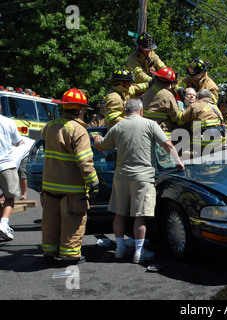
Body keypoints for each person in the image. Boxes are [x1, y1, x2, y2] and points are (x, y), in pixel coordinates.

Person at [93, 99, 184, 264]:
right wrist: (178, 162)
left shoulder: (117, 127)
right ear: (141, 111)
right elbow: (167, 145)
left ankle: (120, 248)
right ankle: (139, 252)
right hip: (143, 177)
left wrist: (96, 137)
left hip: (121, 176)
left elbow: (100, 146)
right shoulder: (150, 124)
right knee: (140, 216)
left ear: (126, 111)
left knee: (119, 213)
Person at [40, 88, 99, 264]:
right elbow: (84, 161)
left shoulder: (50, 126)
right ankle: (70, 255)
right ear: (80, 110)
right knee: (73, 220)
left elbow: (45, 136)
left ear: (64, 107)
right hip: (72, 188)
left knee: (50, 220)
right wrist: (93, 182)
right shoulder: (79, 131)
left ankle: (49, 252)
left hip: (50, 186)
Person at [0, 103, 22, 240]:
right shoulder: (9, 122)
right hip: (6, 165)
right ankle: (3, 223)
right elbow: (17, 142)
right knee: (9, 197)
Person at [140, 67, 180, 138]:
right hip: (161, 133)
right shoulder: (167, 95)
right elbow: (175, 115)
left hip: (144, 130)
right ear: (170, 83)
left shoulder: (148, 91)